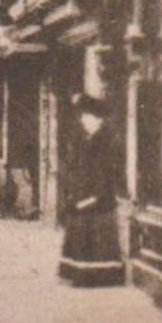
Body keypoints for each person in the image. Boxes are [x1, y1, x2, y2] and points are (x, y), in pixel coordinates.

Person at [58, 93, 123, 287]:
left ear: (97, 119)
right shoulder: (85, 138)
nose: (83, 121)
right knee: (81, 235)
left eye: (87, 118)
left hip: (98, 197)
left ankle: (99, 277)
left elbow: (106, 171)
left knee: (96, 237)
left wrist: (94, 196)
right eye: (83, 118)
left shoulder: (105, 140)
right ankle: (80, 274)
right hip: (82, 192)